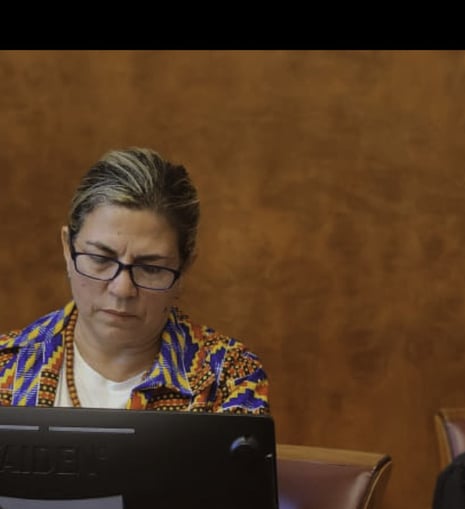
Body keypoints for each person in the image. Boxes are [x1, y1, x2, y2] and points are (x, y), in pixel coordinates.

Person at [0, 147, 269, 413]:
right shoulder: (5, 366)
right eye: (101, 259)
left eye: (150, 268)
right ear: (67, 250)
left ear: (184, 267)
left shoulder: (228, 376)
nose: (122, 289)